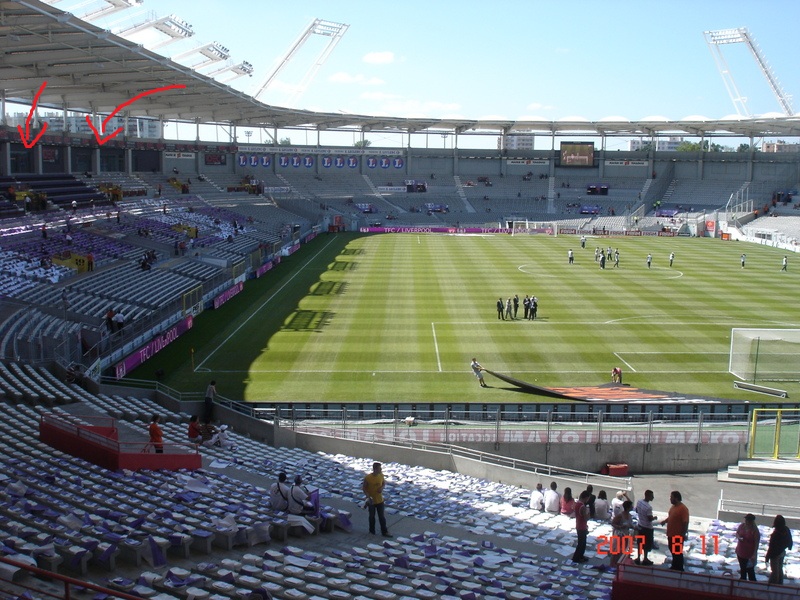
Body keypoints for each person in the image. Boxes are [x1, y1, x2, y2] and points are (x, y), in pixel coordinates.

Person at [660, 490, 689, 572]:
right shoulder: (673, 507)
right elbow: (671, 517)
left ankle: (679, 567)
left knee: (677, 552)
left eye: (671, 497)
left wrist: (683, 534)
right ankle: (674, 565)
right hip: (671, 534)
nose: (670, 499)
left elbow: (685, 522)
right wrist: (665, 521)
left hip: (677, 535)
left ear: (676, 498)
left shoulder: (683, 509)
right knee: (672, 550)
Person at [362, 462, 391, 537]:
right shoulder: (368, 478)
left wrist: (381, 488)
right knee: (372, 516)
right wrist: (367, 495)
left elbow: (384, 483)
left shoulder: (381, 475)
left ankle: (384, 532)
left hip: (380, 500)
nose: (381, 470)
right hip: (371, 500)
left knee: (381, 517)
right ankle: (372, 531)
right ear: (375, 469)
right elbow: (364, 487)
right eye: (379, 468)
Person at [765, 514, 793, 584]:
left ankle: (774, 584)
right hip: (782, 552)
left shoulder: (775, 534)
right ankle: (780, 583)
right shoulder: (786, 529)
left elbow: (771, 547)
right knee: (780, 569)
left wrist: (767, 557)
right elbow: (789, 539)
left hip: (775, 554)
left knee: (775, 571)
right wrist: (789, 546)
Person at [634, 490, 656, 566]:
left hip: (640, 525)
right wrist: (654, 518)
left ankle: (638, 558)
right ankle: (645, 559)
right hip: (647, 528)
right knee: (646, 544)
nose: (653, 497)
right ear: (648, 496)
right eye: (651, 496)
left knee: (640, 543)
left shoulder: (639, 502)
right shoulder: (649, 507)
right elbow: (649, 518)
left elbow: (636, 510)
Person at [735, 513, 760, 581]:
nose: (746, 521)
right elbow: (737, 533)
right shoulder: (741, 526)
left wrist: (754, 554)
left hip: (749, 553)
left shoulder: (754, 530)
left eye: (748, 520)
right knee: (743, 569)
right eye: (746, 519)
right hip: (740, 551)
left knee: (750, 570)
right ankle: (743, 581)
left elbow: (756, 542)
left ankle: (752, 585)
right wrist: (739, 537)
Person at [610, 500, 634, 567]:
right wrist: (620, 526)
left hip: (625, 534)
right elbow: (613, 523)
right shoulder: (620, 515)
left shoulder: (629, 516)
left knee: (623, 550)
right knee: (616, 551)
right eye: (631, 506)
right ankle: (612, 564)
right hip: (619, 534)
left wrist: (634, 527)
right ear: (628, 507)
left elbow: (630, 524)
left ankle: (618, 564)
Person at [572, 490, 591, 563]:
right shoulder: (583, 507)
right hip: (582, 526)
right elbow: (586, 518)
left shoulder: (577, 504)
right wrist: (588, 513)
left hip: (579, 524)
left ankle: (580, 556)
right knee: (581, 543)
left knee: (582, 542)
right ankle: (576, 557)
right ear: (585, 498)